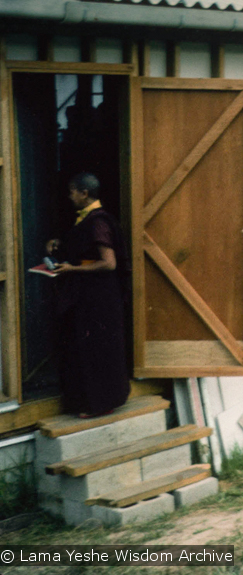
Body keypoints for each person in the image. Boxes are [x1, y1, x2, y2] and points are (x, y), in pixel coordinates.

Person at [47, 172, 130, 418]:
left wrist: (73, 269)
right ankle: (94, 401)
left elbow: (108, 263)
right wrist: (57, 245)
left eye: (72, 191)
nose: (69, 196)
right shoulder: (86, 219)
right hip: (90, 296)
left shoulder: (98, 222)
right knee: (88, 348)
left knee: (96, 349)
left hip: (99, 298)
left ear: (84, 193)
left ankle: (101, 404)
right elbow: (83, 248)